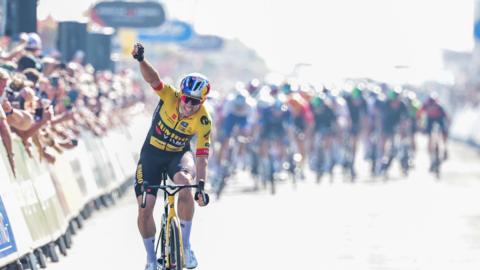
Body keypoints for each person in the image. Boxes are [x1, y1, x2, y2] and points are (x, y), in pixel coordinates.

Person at [131, 43, 211, 270]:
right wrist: (141, 60)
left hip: (178, 156)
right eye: (186, 98)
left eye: (194, 101)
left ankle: (185, 247)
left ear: (202, 102)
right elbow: (153, 79)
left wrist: (201, 187)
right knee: (145, 209)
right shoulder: (170, 96)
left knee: (185, 184)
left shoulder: (204, 120)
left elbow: (202, 155)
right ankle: (150, 259)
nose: (188, 104)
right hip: (152, 155)